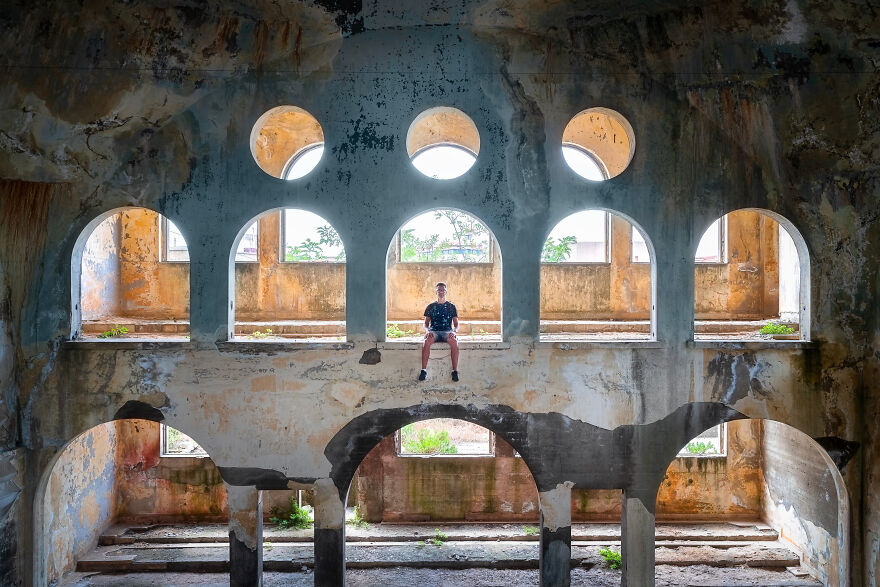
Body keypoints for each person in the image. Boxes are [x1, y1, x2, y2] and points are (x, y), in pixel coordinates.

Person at [419, 282, 459, 381]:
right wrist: (428, 331)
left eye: (443, 290)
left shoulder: (451, 306)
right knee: (426, 342)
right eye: (439, 290)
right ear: (436, 292)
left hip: (447, 332)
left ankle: (454, 371)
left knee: (454, 342)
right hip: (434, 331)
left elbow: (456, 324)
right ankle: (423, 370)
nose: (441, 292)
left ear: (446, 291)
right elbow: (426, 323)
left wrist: (454, 332)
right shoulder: (431, 306)